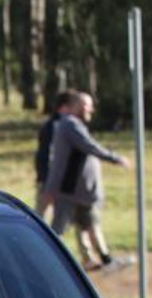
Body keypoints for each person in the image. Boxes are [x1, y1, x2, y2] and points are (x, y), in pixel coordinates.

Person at [44, 90, 132, 271]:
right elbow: (89, 146)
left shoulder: (74, 124)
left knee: (91, 224)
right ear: (75, 106)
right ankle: (45, 264)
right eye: (86, 105)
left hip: (81, 192)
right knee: (57, 231)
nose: (90, 109)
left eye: (91, 105)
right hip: (68, 191)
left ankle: (106, 261)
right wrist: (115, 158)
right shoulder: (69, 125)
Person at [33, 90, 76, 225]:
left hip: (57, 180)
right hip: (51, 180)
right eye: (73, 106)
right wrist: (48, 181)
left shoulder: (62, 125)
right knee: (41, 220)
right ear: (64, 107)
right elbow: (49, 156)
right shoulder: (56, 127)